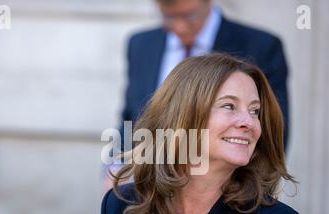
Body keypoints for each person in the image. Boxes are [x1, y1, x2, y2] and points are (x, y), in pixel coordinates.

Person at [92, 53, 306, 214]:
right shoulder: (122, 205)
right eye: (229, 106)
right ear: (184, 116)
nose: (250, 122)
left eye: (255, 111)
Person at [120, 0, 290, 149]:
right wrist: (116, 166)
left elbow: (274, 130)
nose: (179, 27)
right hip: (150, 179)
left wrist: (246, 184)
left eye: (189, 16)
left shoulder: (261, 46)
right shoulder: (140, 44)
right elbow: (130, 117)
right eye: (169, 17)